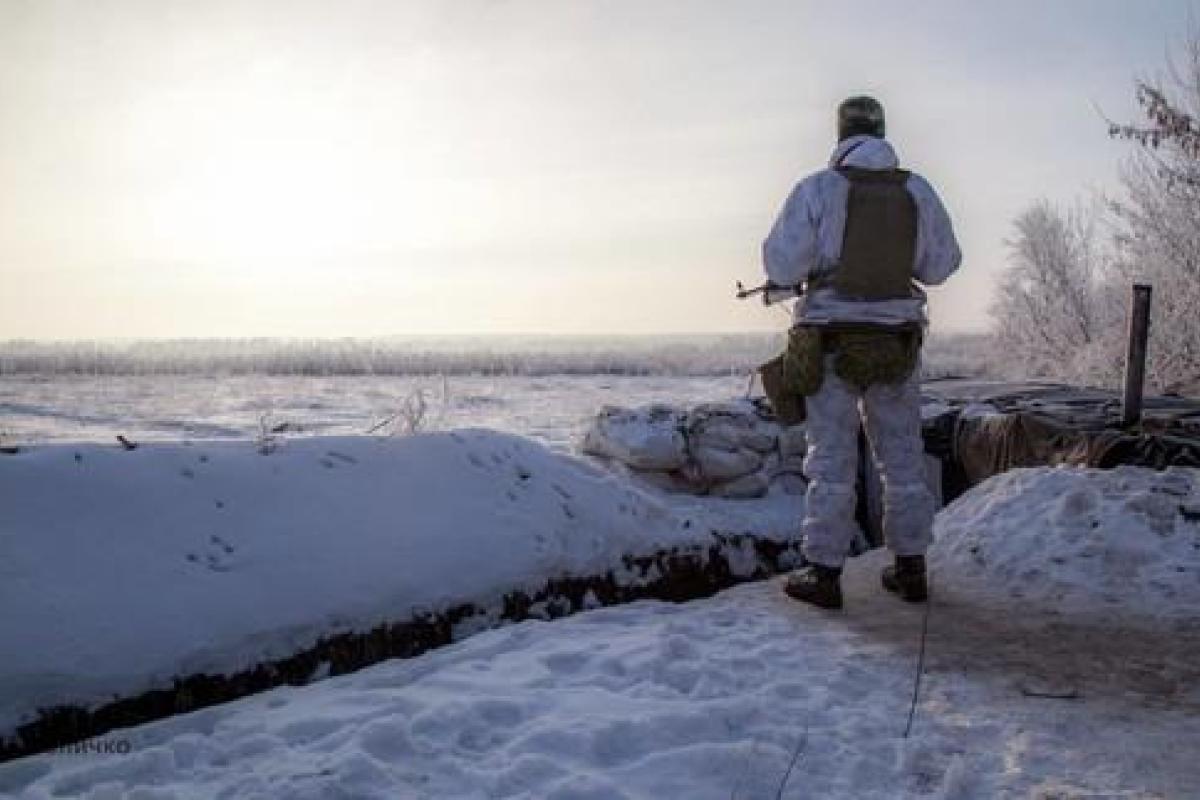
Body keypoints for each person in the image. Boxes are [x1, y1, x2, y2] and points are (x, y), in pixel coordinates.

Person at [762, 96, 961, 609]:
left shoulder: (817, 189)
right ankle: (911, 567)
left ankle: (824, 574)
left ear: (840, 135)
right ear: (882, 133)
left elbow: (781, 265)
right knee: (903, 456)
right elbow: (941, 265)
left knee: (831, 458)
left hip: (831, 340)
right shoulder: (917, 190)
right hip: (897, 344)